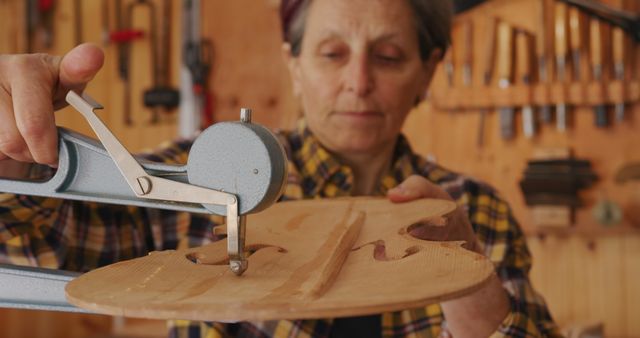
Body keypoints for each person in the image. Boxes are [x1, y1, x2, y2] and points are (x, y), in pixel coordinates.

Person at [0, 0, 562, 337]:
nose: (358, 82)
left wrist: (464, 281)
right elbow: (39, 242)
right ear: (293, 65)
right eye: (332, 53)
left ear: (429, 69)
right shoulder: (198, 178)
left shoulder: (474, 210)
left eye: (388, 57)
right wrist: (18, 168)